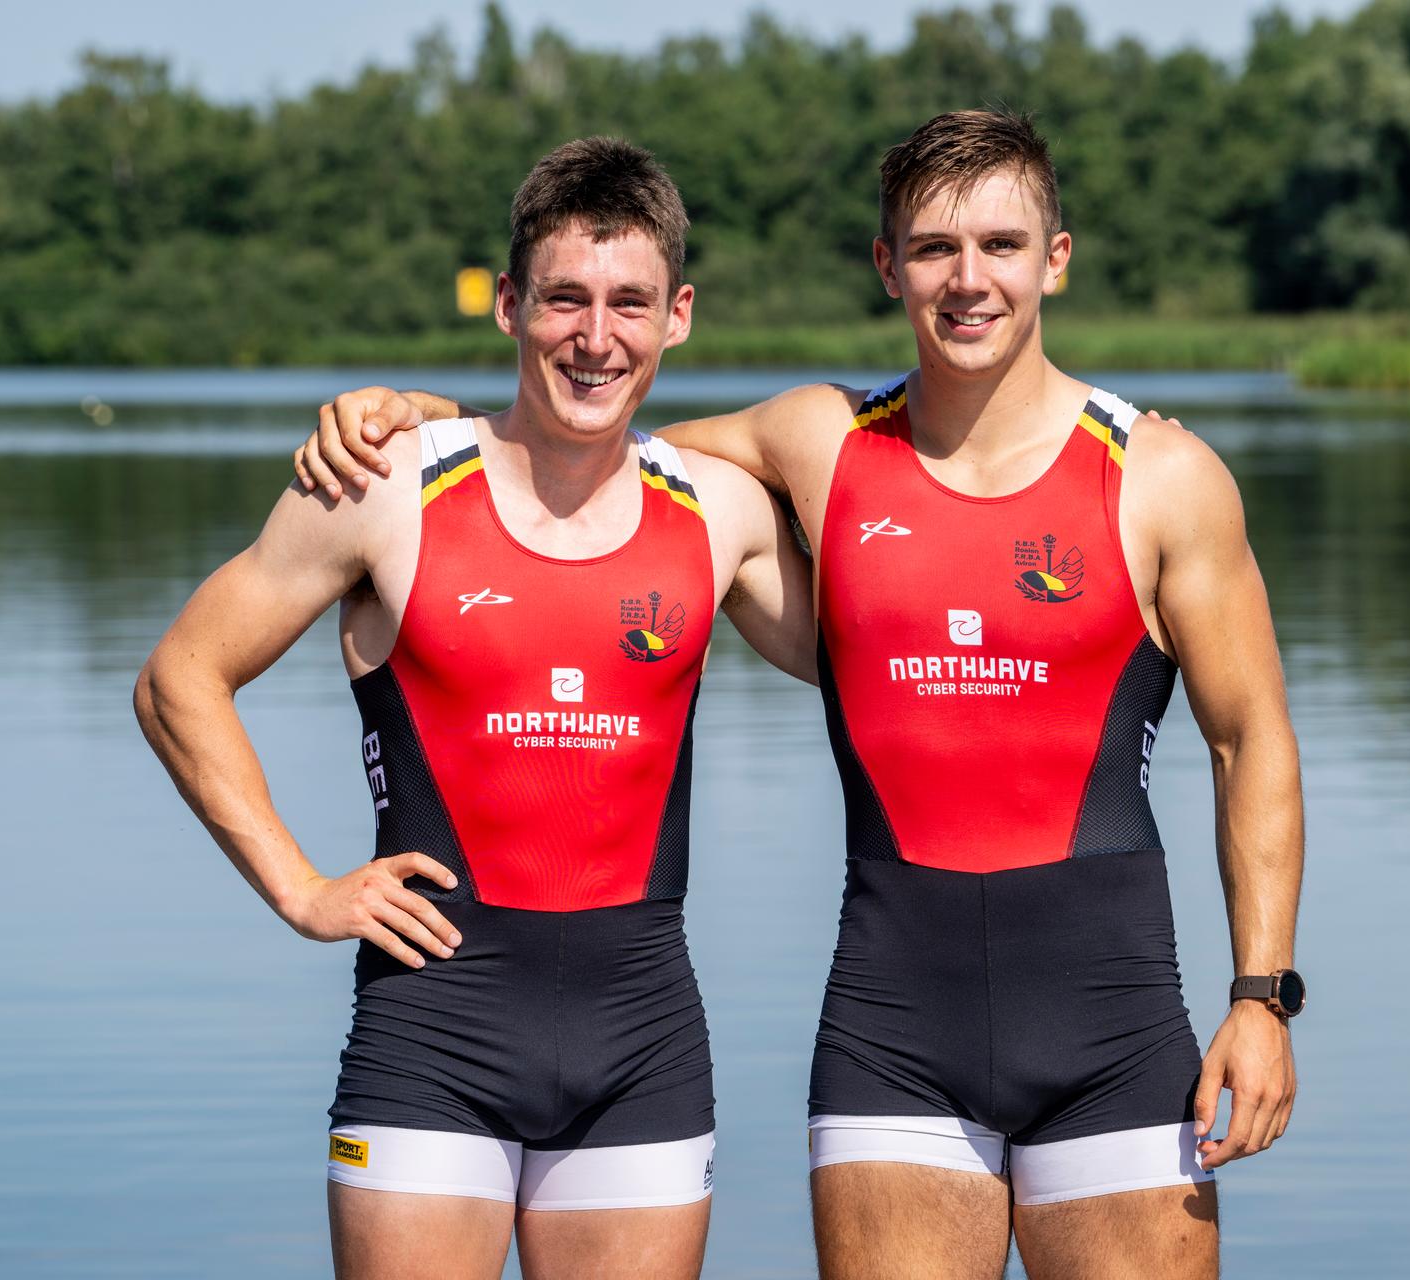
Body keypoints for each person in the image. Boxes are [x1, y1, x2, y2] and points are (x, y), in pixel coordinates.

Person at [297, 110, 1304, 1280]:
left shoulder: (1164, 476)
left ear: (1056, 260)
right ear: (889, 267)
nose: (968, 279)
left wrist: (1262, 995)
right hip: (892, 1043)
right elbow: (587, 439)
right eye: (933, 247)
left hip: (1116, 1027)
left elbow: (1252, 741)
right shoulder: (817, 440)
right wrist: (423, 421)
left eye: (1001, 244)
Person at [136, 137, 814, 1280]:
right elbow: (178, 679)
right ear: (509, 304)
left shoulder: (719, 510)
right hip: (430, 1038)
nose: (595, 337)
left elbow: (900, 655)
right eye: (563, 300)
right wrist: (302, 889)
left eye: (629, 304)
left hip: (642, 1042)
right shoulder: (381, 482)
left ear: (678, 315)